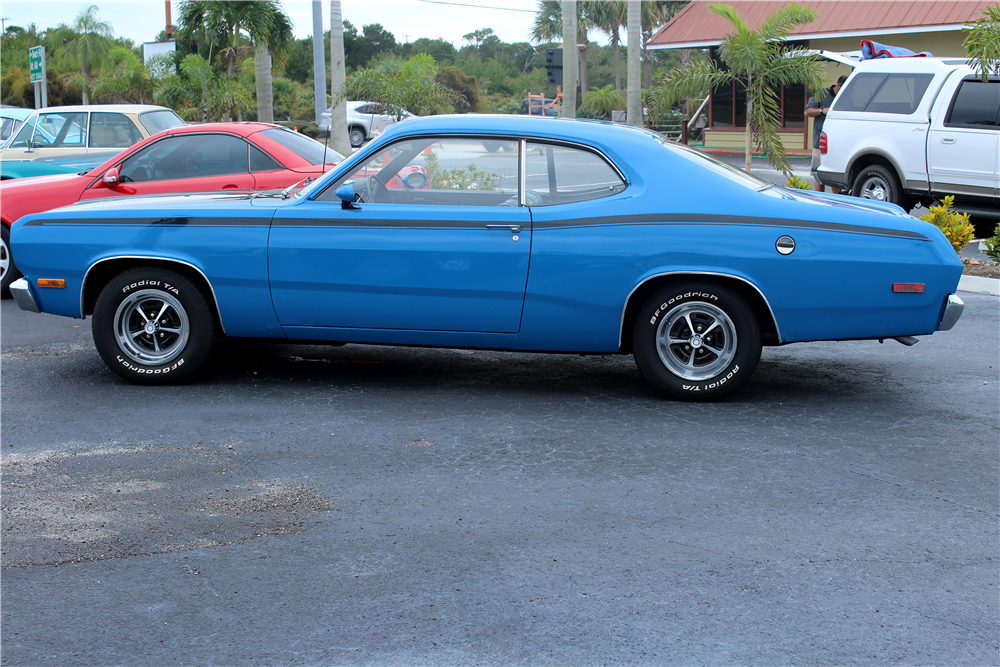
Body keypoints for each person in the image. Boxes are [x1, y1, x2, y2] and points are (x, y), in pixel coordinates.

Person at [804, 74, 848, 193]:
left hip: (837, 143)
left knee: (836, 175)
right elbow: (807, 111)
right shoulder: (822, 94)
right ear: (839, 86)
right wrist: (822, 110)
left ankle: (837, 202)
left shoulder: (845, 97)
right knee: (819, 175)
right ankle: (819, 201)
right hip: (820, 142)